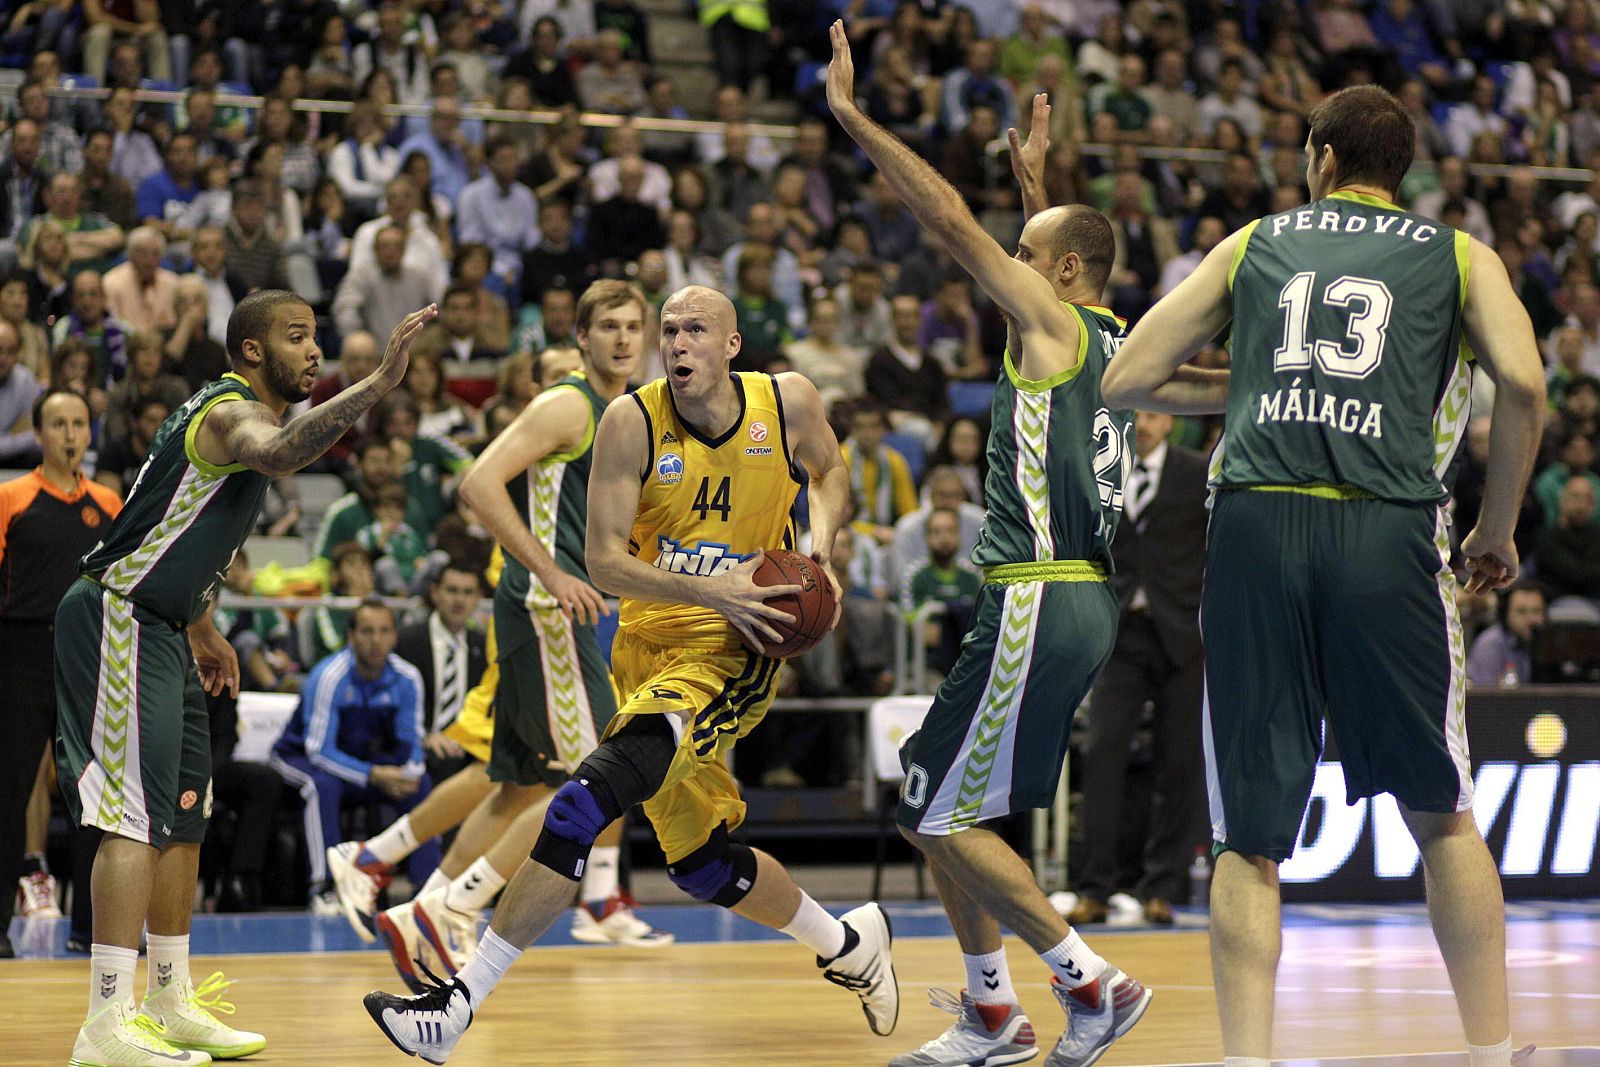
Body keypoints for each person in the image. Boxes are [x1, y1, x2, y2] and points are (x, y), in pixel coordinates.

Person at [1101, 84, 1546, 1067]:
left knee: (1247, 836)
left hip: (1256, 525)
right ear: (1402, 169)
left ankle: (1247, 1059)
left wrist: (1250, 388)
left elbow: (1126, 376)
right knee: (1443, 813)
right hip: (1387, 529)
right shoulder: (1461, 255)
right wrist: (1496, 525)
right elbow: (1523, 383)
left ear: (1322, 158)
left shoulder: (1253, 243)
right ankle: (1491, 1051)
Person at [365, 281, 898, 1061]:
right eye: (670, 330)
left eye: (696, 330)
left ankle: (455, 1005)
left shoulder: (787, 400)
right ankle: (850, 942)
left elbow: (830, 471)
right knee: (701, 865)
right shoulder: (630, 420)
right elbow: (604, 562)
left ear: (731, 345)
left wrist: (818, 551)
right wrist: (708, 585)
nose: (678, 342)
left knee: (580, 802)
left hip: (735, 645)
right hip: (647, 642)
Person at [830, 36, 1153, 1067]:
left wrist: (854, 119)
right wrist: (1039, 191)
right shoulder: (1109, 335)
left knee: (935, 809)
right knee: (940, 803)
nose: (1007, 260)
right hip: (1083, 597)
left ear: (1060, 271)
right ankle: (992, 1012)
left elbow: (944, 220)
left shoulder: (1048, 318)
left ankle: (1089, 981)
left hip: (1036, 593)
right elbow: (1051, 265)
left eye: (1027, 249)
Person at [55, 288, 438, 1064]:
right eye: (298, 336)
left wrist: (201, 620)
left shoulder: (234, 420)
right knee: (133, 819)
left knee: (184, 815)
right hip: (120, 615)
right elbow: (280, 451)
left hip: (167, 625)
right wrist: (378, 383)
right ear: (254, 350)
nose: (315, 350)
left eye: (316, 335)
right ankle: (104, 1018)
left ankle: (168, 997)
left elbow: (185, 525)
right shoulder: (229, 413)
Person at [332, 282, 674, 994]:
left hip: (560, 608)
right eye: (608, 325)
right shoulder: (568, 404)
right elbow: (479, 484)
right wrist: (552, 573)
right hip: (550, 607)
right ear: (579, 337)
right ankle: (450, 907)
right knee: (595, 776)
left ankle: (424, 898)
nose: (622, 338)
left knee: (521, 783)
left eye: (633, 326)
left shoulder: (627, 413)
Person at [1069, 410, 1208, 928]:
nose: (1144, 423)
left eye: (1153, 413)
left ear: (1170, 420)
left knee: (1180, 763)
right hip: (1119, 633)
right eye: (1136, 413)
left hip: (1184, 636)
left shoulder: (1198, 471)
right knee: (1102, 754)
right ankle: (1095, 887)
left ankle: (1162, 888)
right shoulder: (1102, 470)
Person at [0, 391, 121, 957]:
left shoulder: (109, 503)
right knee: (9, 792)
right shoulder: (12, 498)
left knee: (93, 797)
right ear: (39, 434)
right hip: (20, 655)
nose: (69, 434)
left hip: (86, 659)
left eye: (77, 423)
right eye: (57, 424)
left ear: (89, 433)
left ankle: (94, 929)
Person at [270, 598, 442, 909]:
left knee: (419, 785)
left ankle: (427, 890)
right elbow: (319, 752)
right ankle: (325, 888)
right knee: (321, 786)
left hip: (361, 762)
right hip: (300, 756)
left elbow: (412, 744)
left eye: (384, 631)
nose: (376, 640)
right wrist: (373, 775)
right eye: (367, 631)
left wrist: (408, 773)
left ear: (394, 636)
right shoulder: (329, 675)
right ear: (351, 636)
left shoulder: (407, 677)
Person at [1466, 582, 1548, 686]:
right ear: (1505, 613)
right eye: (1521, 612)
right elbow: (1485, 694)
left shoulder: (1546, 642)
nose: (1530, 619)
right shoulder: (1490, 644)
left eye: (1536, 611)